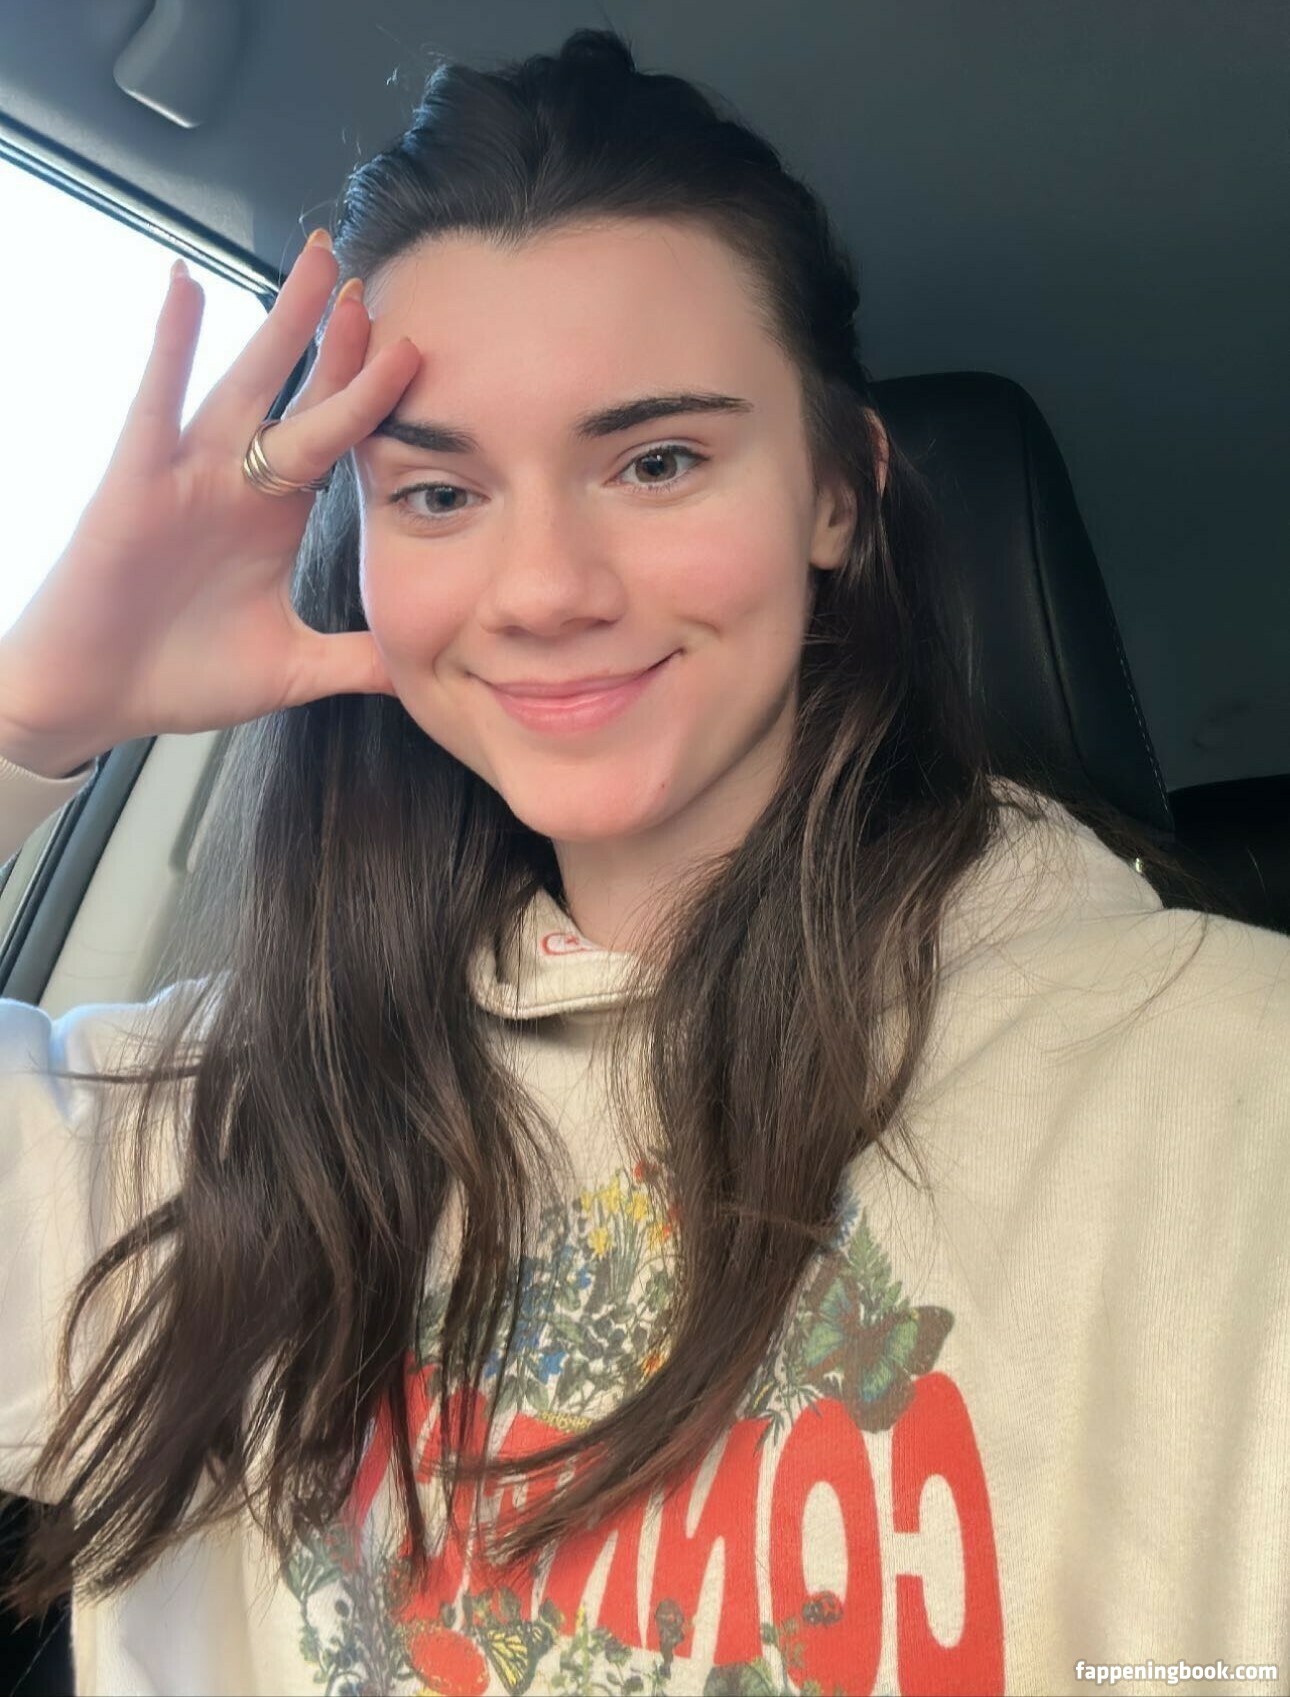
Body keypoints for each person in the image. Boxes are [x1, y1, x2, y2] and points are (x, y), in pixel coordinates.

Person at [0, 26, 1285, 1697]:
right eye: (438, 492)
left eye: (658, 460)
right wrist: (28, 725)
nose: (545, 586)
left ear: (838, 494)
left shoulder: (1220, 1089)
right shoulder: (209, 1133)